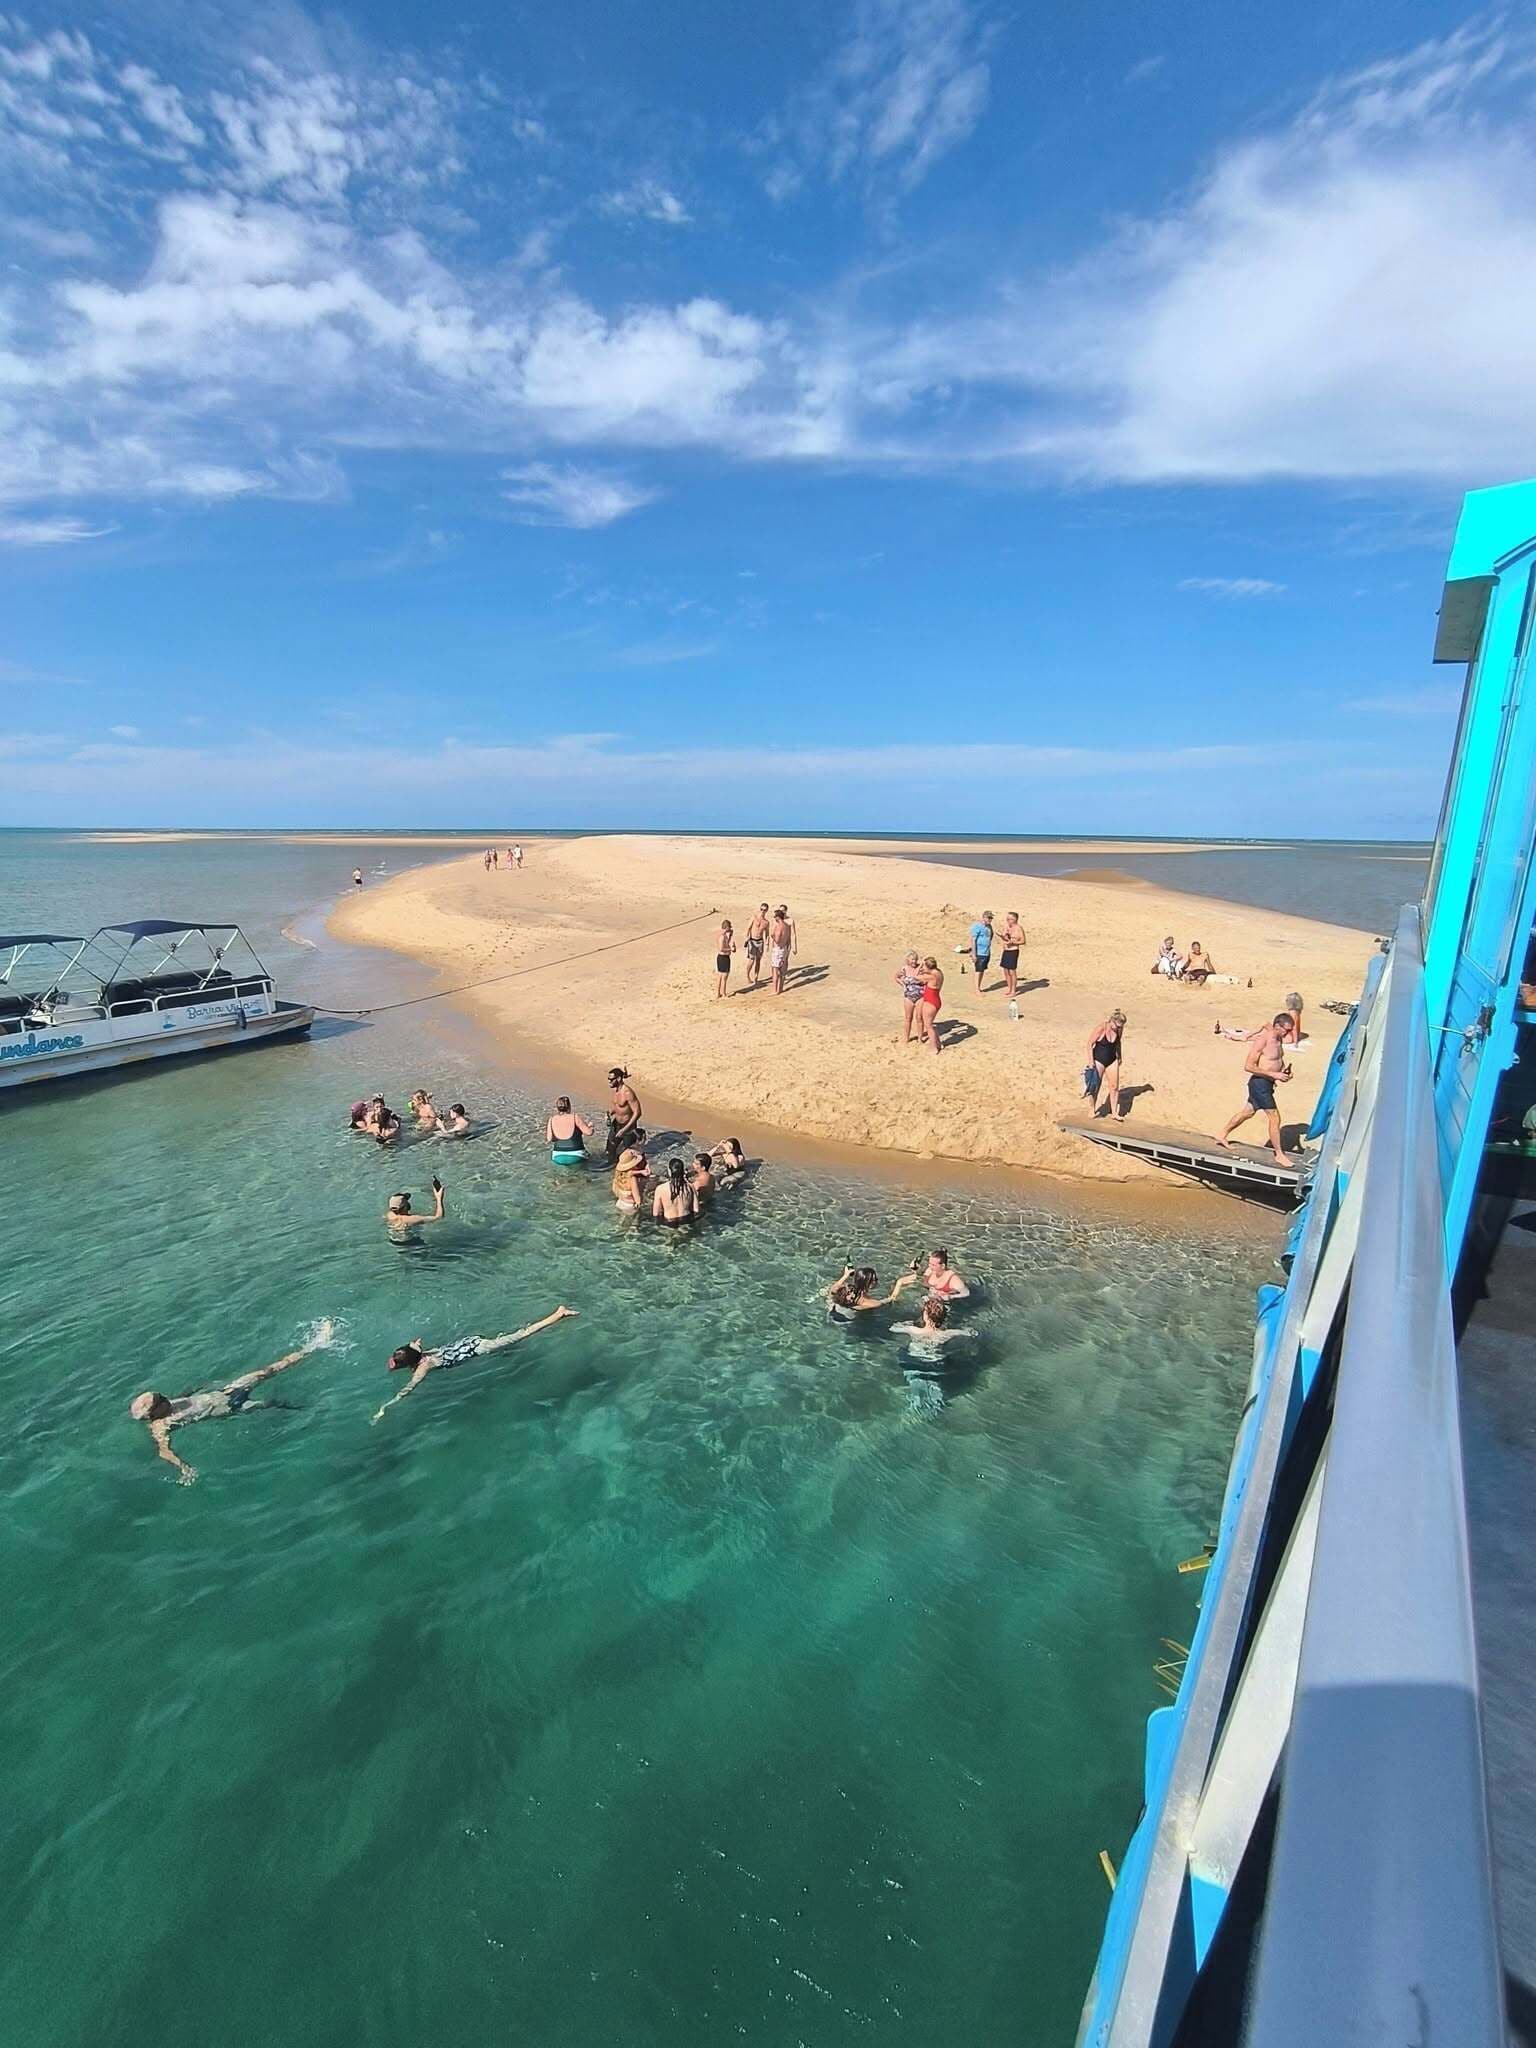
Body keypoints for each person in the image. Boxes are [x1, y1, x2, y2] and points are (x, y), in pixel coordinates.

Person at [129, 1319, 338, 1485]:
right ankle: (301, 1407)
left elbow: (190, 1393)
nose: (164, 1397)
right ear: (154, 1412)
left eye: (160, 1395)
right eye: (160, 1400)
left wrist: (200, 1386)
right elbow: (164, 1450)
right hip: (231, 1407)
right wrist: (184, 1468)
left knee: (267, 1371)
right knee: (268, 1404)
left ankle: (316, 1345)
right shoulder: (161, 1426)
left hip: (227, 1391)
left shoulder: (171, 1403)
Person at [372, 1307, 577, 1425]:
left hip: (479, 1347)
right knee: (507, 1343)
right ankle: (503, 1347)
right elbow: (413, 1344)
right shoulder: (416, 1351)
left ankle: (558, 1314)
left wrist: (386, 1406)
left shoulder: (423, 1367)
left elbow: (409, 1388)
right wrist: (414, 1345)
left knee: (522, 1335)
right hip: (469, 1341)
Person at [1217, 1014, 1297, 1165]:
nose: (1288, 1034)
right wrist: (1274, 1074)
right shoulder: (1263, 1040)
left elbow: (1276, 1060)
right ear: (1278, 1026)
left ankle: (1222, 1134)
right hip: (1259, 1083)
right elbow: (1249, 1066)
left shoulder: (1278, 1039)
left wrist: (1285, 1072)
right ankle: (1279, 1154)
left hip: (1267, 1084)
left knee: (1247, 1113)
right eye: (1287, 1030)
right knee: (1274, 1117)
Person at [825, 1265, 919, 1317]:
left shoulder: (846, 1290)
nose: (877, 1281)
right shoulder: (869, 1303)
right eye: (875, 1280)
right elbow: (891, 1299)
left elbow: (833, 1289)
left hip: (833, 1313)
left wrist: (845, 1275)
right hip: (847, 1322)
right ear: (869, 1284)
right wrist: (899, 1283)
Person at [891, 1297, 975, 1350]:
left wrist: (907, 1323)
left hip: (915, 1356)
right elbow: (970, 1333)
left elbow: (893, 1328)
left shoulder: (913, 1330)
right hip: (936, 1359)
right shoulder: (947, 1333)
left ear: (925, 1316)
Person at [1088, 1009, 1126, 1119]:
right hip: (1098, 1059)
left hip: (1112, 1059)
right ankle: (1092, 1109)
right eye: (1117, 1026)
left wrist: (1120, 1055)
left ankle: (1114, 1113)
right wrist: (1091, 1062)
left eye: (1121, 1027)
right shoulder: (1101, 1028)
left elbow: (1118, 1042)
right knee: (1095, 1085)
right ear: (1112, 1021)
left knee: (1114, 1086)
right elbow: (1089, 1044)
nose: (1119, 1029)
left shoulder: (1119, 1029)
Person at [605, 1067, 643, 1162]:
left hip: (628, 1126)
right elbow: (618, 1107)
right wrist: (609, 1113)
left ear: (618, 1079)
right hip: (616, 1124)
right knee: (609, 1150)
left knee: (628, 1155)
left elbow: (637, 1112)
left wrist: (624, 1129)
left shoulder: (627, 1093)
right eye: (608, 1079)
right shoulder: (616, 1090)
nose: (609, 1082)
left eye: (611, 1079)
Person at [652, 1156, 697, 1226]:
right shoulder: (690, 1187)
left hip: (669, 1222)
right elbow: (696, 1210)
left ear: (670, 1172)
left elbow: (656, 1213)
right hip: (687, 1221)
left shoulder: (660, 1189)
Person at [546, 1095, 592, 1163]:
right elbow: (589, 1133)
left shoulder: (551, 1119)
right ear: (569, 1106)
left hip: (558, 1156)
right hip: (576, 1155)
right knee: (590, 1159)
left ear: (557, 1108)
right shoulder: (575, 1117)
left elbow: (549, 1139)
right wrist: (591, 1127)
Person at [895, 951, 926, 1044]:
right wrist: (903, 985)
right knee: (908, 1018)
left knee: (919, 1017)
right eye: (912, 959)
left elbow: (924, 978)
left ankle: (920, 1039)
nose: (914, 961)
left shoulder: (921, 969)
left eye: (916, 959)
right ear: (908, 960)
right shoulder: (904, 969)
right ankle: (906, 1038)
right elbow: (896, 977)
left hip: (920, 996)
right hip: (908, 996)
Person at [612, 1146, 651, 1211]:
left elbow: (629, 1173)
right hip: (630, 1207)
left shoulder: (619, 1174)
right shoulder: (633, 1178)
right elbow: (638, 1200)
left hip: (620, 1202)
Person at [919, 957, 945, 1054]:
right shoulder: (938, 973)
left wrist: (920, 966)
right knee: (930, 1024)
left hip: (930, 1001)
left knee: (928, 1025)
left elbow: (916, 977)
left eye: (924, 966)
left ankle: (933, 1047)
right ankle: (938, 1043)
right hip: (936, 1000)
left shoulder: (930, 977)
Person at [997, 913, 1025, 1002]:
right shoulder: (1007, 927)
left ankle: (1013, 990)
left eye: (1010, 919)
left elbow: (1023, 941)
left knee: (1012, 970)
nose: (1008, 921)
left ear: (1015, 919)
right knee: (1005, 970)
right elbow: (1005, 938)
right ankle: (1009, 988)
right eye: (1007, 919)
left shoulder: (1019, 928)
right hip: (1006, 950)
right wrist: (1004, 936)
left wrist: (1013, 943)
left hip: (1013, 950)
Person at [769, 905, 796, 995]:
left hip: (778, 949)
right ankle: (780, 988)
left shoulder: (779, 926)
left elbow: (777, 939)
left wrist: (772, 935)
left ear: (777, 917)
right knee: (781, 970)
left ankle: (775, 990)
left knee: (775, 970)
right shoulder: (787, 926)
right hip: (784, 948)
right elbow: (788, 938)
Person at [967, 911, 995, 990]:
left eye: (991, 918)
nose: (990, 919)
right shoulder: (977, 926)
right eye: (989, 918)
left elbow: (991, 936)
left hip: (986, 952)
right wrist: (973, 953)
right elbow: (973, 940)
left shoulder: (989, 927)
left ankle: (979, 987)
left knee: (982, 970)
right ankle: (976, 989)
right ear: (984, 917)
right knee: (978, 971)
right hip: (979, 952)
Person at [744, 903, 770, 987]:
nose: (762, 911)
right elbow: (748, 928)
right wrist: (747, 938)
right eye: (761, 909)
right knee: (751, 960)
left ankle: (756, 977)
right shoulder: (754, 917)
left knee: (758, 960)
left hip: (760, 941)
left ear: (766, 911)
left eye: (764, 910)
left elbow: (767, 933)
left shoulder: (766, 922)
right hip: (752, 940)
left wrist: (767, 942)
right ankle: (747, 976)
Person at [714, 919, 736, 999]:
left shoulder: (723, 936)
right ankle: (722, 993)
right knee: (723, 976)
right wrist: (730, 949)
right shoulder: (722, 937)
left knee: (721, 976)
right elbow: (721, 948)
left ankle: (719, 993)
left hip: (723, 957)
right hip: (723, 957)